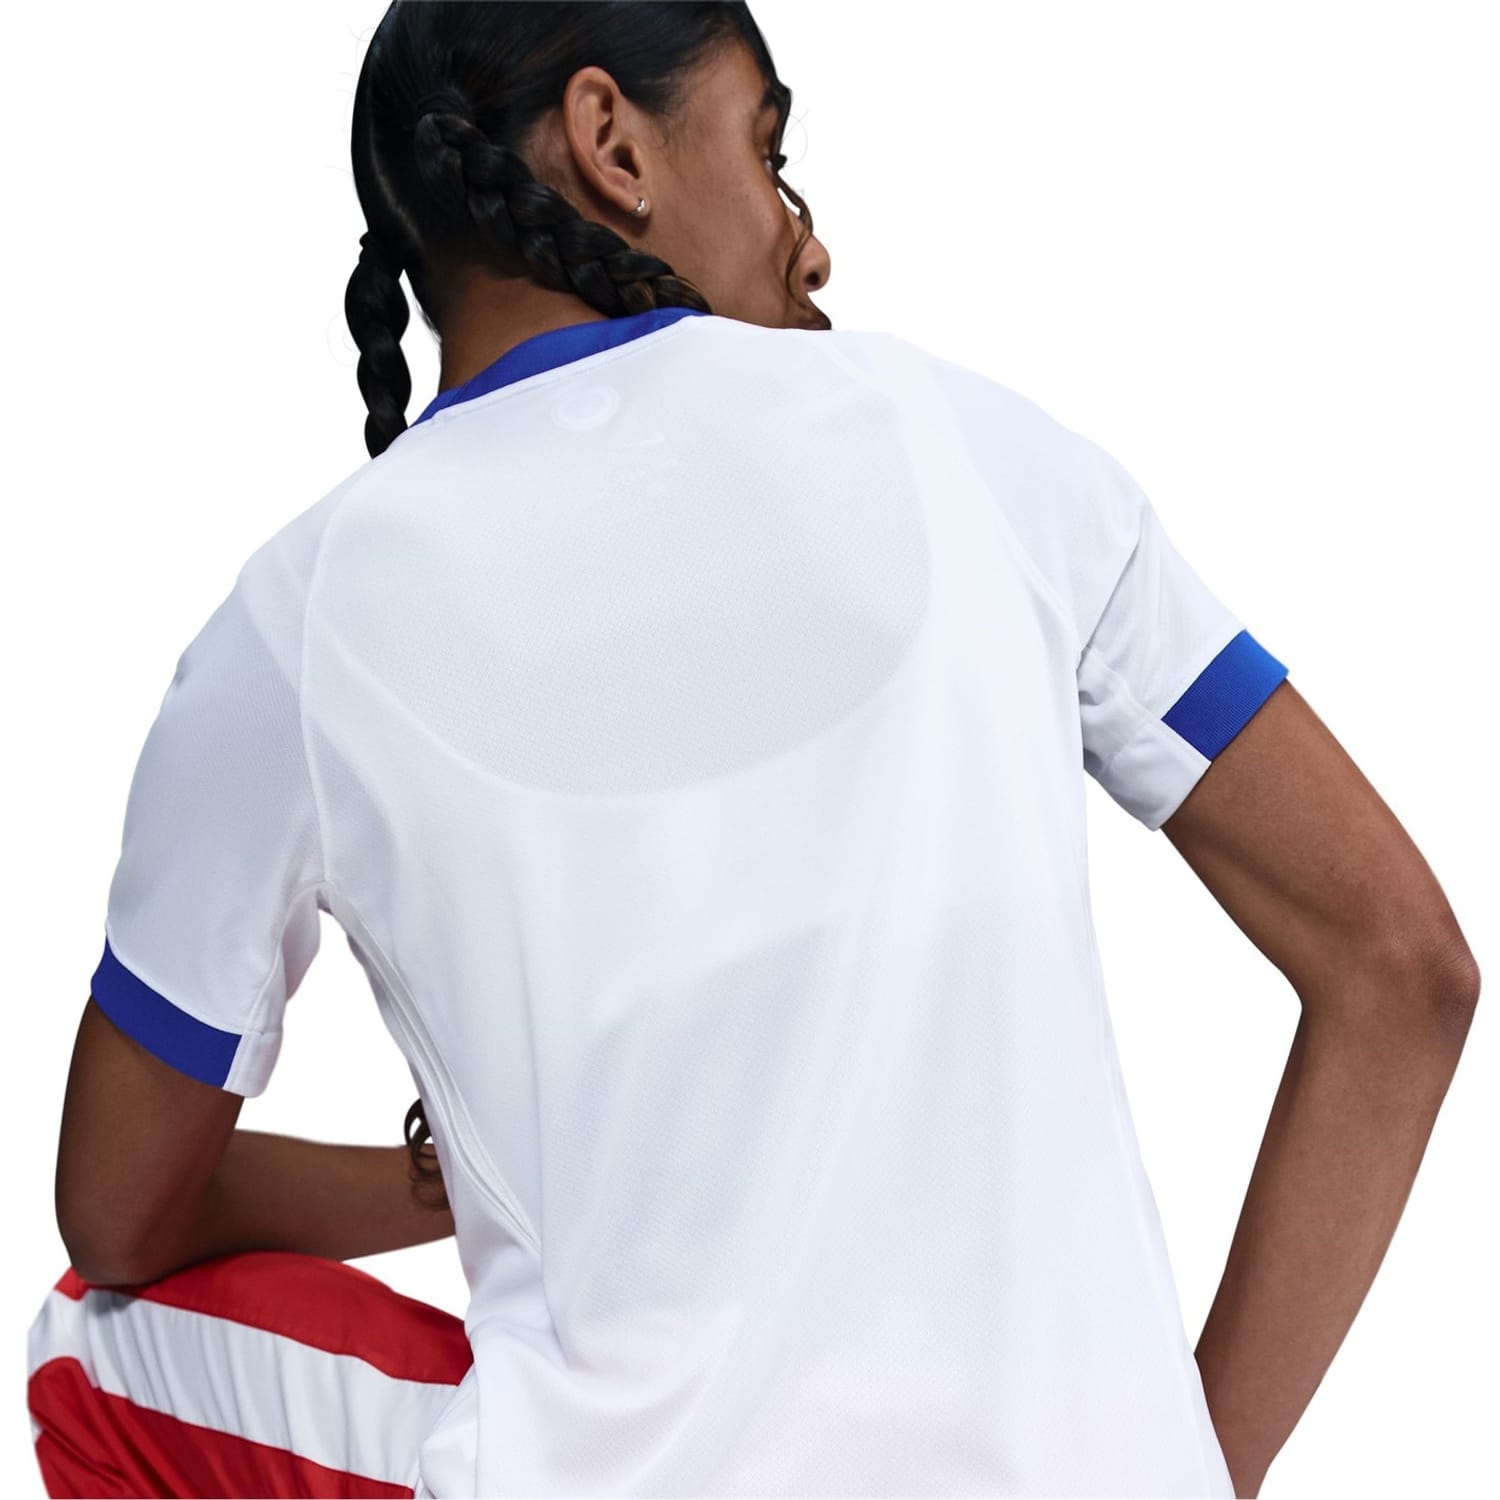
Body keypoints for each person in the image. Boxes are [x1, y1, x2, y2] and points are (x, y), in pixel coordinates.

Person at [27, 3, 1481, 1497]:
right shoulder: (975, 444)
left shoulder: (299, 616)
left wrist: (440, 1186)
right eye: (770, 153)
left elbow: (121, 1221)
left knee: (88, 1350)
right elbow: (1404, 966)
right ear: (611, 142)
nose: (811, 242)